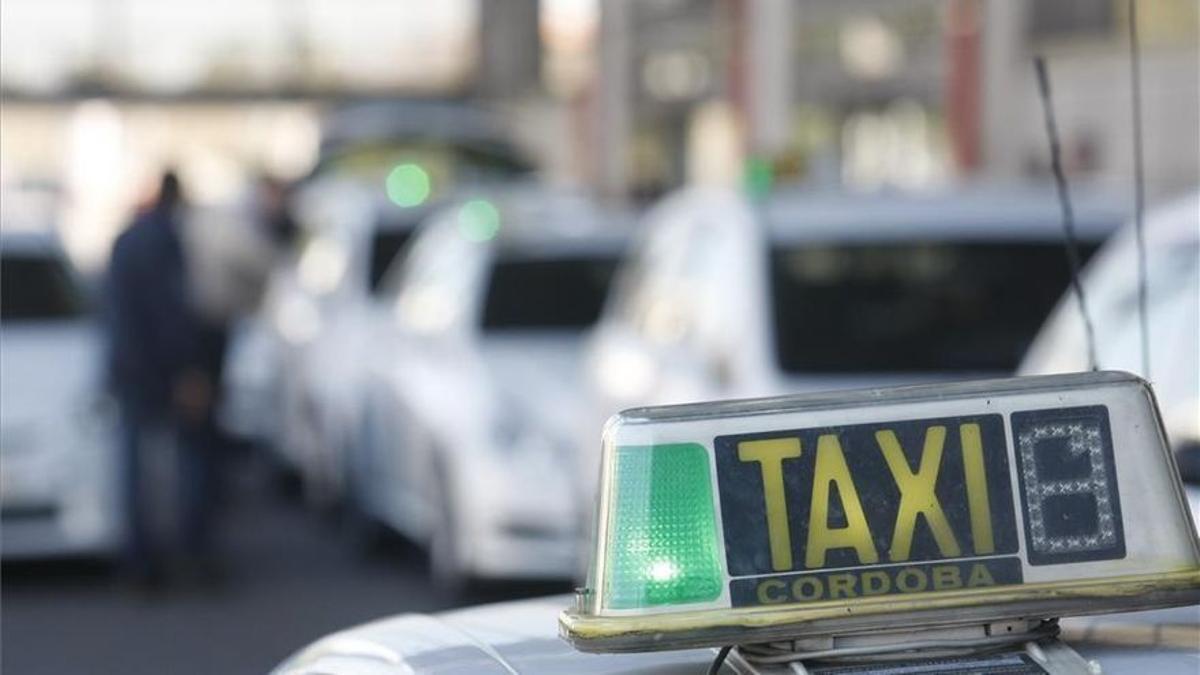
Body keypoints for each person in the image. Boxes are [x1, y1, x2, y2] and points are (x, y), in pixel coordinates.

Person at [106, 171, 228, 587]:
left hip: (131, 370)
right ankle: (191, 554)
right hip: (163, 370)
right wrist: (188, 369)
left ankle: (140, 559)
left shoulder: (127, 240)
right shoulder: (165, 241)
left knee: (136, 471)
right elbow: (171, 312)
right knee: (190, 462)